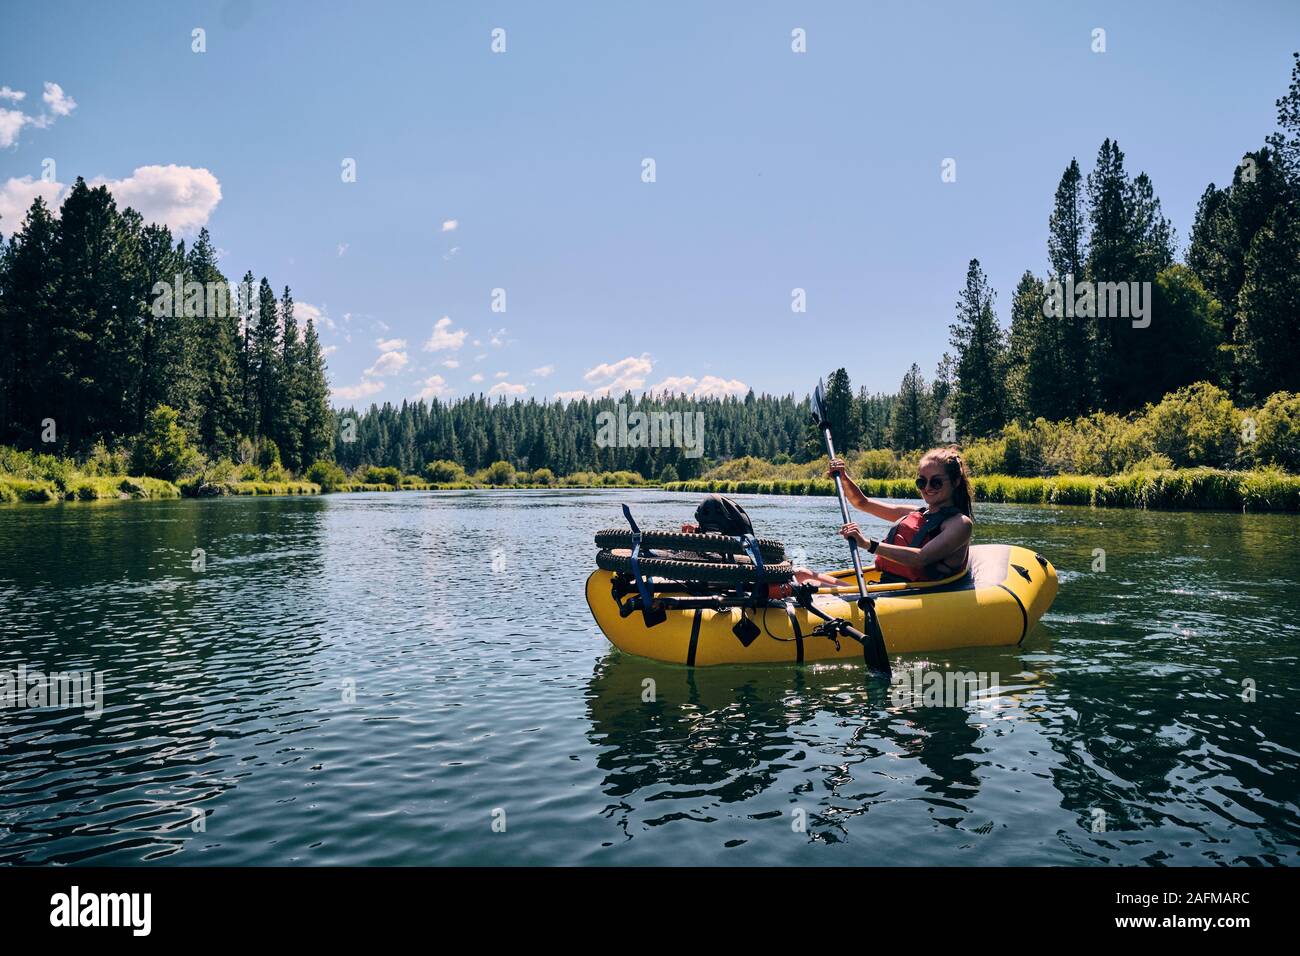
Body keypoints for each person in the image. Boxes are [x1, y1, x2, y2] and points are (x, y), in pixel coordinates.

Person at [792, 446, 974, 588]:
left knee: (809, 584)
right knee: (800, 574)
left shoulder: (960, 524)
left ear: (955, 482)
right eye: (921, 481)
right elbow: (862, 503)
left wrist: (867, 544)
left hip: (914, 595)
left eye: (936, 481)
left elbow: (921, 558)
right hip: (886, 587)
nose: (927, 487)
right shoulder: (914, 513)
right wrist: (844, 478)